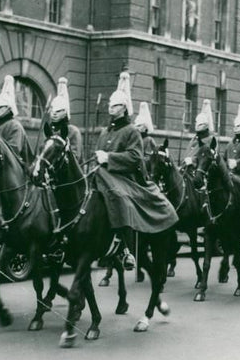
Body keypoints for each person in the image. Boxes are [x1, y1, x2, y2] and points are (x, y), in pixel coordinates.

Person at [93, 71, 178, 268]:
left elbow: (134, 158)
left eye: (114, 105)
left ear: (123, 108)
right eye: (110, 104)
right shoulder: (105, 131)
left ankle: (123, 246)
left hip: (124, 178)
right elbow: (97, 152)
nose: (110, 108)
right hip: (102, 174)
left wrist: (109, 158)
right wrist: (97, 159)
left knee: (119, 197)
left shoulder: (131, 131)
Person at [0, 75, 34, 166]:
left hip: (15, 169)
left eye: (0, 107)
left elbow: (13, 151)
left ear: (9, 108)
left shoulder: (15, 126)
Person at [49, 76, 83, 160]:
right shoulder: (49, 130)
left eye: (58, 111)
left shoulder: (73, 131)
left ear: (65, 113)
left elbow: (75, 157)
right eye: (53, 110)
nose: (54, 113)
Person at [183, 99, 215, 172]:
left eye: (201, 124)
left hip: (202, 172)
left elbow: (207, 158)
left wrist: (193, 161)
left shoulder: (210, 140)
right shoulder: (194, 139)